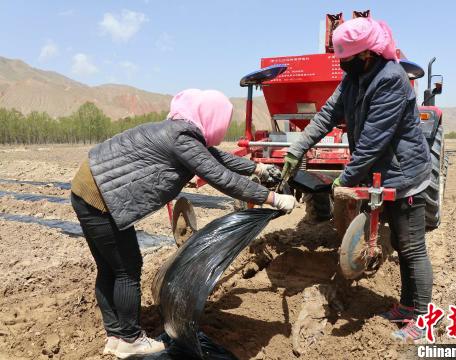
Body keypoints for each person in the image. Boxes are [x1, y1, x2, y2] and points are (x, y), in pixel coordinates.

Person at [70, 89, 296, 358]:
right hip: (102, 199)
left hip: (89, 189)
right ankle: (129, 339)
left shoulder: (179, 132)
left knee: (110, 267)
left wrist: (256, 168)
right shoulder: (182, 138)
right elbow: (219, 176)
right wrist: (272, 198)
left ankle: (115, 336)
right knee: (127, 269)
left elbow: (213, 156)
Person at [281, 17, 433, 341]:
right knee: (404, 246)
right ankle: (406, 308)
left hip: (405, 175)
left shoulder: (390, 79)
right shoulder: (354, 79)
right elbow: (326, 115)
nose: (341, 64)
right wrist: (298, 148)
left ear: (366, 55)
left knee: (412, 248)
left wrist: (344, 181)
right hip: (384, 175)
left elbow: (372, 141)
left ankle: (421, 319)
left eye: (345, 59)